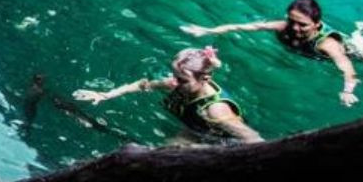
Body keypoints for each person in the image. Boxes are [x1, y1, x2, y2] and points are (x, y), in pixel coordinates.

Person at [183, 0, 363, 107]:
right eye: (292, 21)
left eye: (302, 25)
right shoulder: (283, 27)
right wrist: (207, 31)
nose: (295, 28)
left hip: (349, 52)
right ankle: (361, 31)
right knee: (361, 42)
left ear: (316, 23)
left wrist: (348, 90)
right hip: (320, 52)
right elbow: (246, 26)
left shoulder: (327, 44)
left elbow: (346, 67)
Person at [73, 46, 262, 143]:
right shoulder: (176, 83)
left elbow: (253, 140)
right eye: (174, 75)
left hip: (209, 138)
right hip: (191, 124)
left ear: (204, 78)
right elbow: (141, 85)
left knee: (162, 157)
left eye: (182, 80)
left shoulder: (217, 111)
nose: (173, 82)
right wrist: (105, 95)